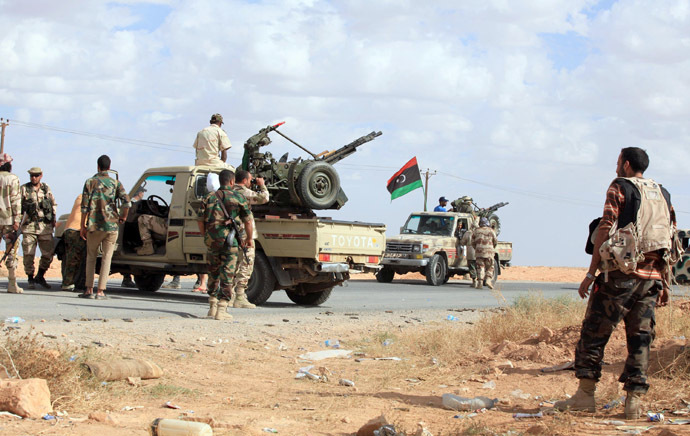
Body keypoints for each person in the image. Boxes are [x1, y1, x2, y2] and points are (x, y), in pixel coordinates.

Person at [554, 147, 675, 419]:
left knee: (594, 333)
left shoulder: (620, 187)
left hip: (620, 276)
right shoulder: (663, 193)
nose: (616, 166)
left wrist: (590, 273)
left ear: (627, 164)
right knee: (640, 339)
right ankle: (633, 403)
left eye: (618, 161)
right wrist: (665, 283)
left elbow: (606, 227)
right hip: (652, 280)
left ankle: (585, 395)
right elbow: (670, 237)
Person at [198, 169, 252, 320]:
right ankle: (222, 308)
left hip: (212, 242)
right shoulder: (238, 197)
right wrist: (248, 239)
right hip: (230, 242)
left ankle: (212, 306)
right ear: (232, 181)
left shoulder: (208, 197)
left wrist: (206, 236)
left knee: (213, 272)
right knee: (228, 274)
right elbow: (248, 221)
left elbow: (199, 220)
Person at [79, 155, 130, 299]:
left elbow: (84, 207)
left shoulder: (90, 182)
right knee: (107, 258)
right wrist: (123, 217)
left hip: (94, 226)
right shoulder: (116, 183)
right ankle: (100, 291)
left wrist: (82, 225)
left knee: (91, 257)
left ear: (98, 166)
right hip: (111, 226)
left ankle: (89, 289)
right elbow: (127, 203)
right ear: (109, 167)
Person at [231, 169, 269, 309]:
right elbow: (264, 198)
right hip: (243, 234)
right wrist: (262, 185)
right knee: (246, 263)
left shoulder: (227, 192)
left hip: (229, 234)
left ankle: (229, 296)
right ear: (245, 180)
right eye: (250, 179)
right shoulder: (244, 193)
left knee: (232, 264)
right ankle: (240, 296)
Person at [20, 167, 57, 289]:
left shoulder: (46, 188)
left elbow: (53, 203)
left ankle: (40, 276)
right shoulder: (24, 189)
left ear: (41, 175)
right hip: (29, 226)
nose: (33, 178)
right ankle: (30, 278)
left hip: (44, 227)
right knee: (28, 254)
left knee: (48, 254)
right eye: (31, 176)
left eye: (36, 175)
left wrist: (53, 218)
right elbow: (18, 206)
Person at [0, 154, 24, 293]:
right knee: (11, 251)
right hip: (8, 221)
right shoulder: (13, 179)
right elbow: (16, 201)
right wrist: (17, 221)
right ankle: (12, 283)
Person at [61, 194, 87, 292]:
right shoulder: (90, 198)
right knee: (75, 258)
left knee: (72, 257)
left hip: (70, 229)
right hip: (77, 230)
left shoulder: (81, 196)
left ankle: (70, 282)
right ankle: (68, 283)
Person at [121, 187, 146, 287]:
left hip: (132, 229)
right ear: (139, 193)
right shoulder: (133, 203)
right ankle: (126, 277)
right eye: (142, 192)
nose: (143, 194)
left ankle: (127, 278)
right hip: (130, 229)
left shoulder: (135, 203)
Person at [472, 217, 497, 289]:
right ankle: (488, 280)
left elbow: (472, 242)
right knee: (490, 267)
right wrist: (491, 248)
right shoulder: (491, 231)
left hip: (479, 252)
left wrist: (477, 248)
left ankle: (480, 283)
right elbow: (495, 241)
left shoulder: (476, 231)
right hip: (489, 253)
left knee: (480, 267)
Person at [459, 220, 478, 287]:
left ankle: (474, 281)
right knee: (478, 267)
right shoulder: (479, 233)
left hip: (471, 252)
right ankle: (480, 281)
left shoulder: (468, 233)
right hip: (479, 252)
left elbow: (462, 242)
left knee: (472, 267)